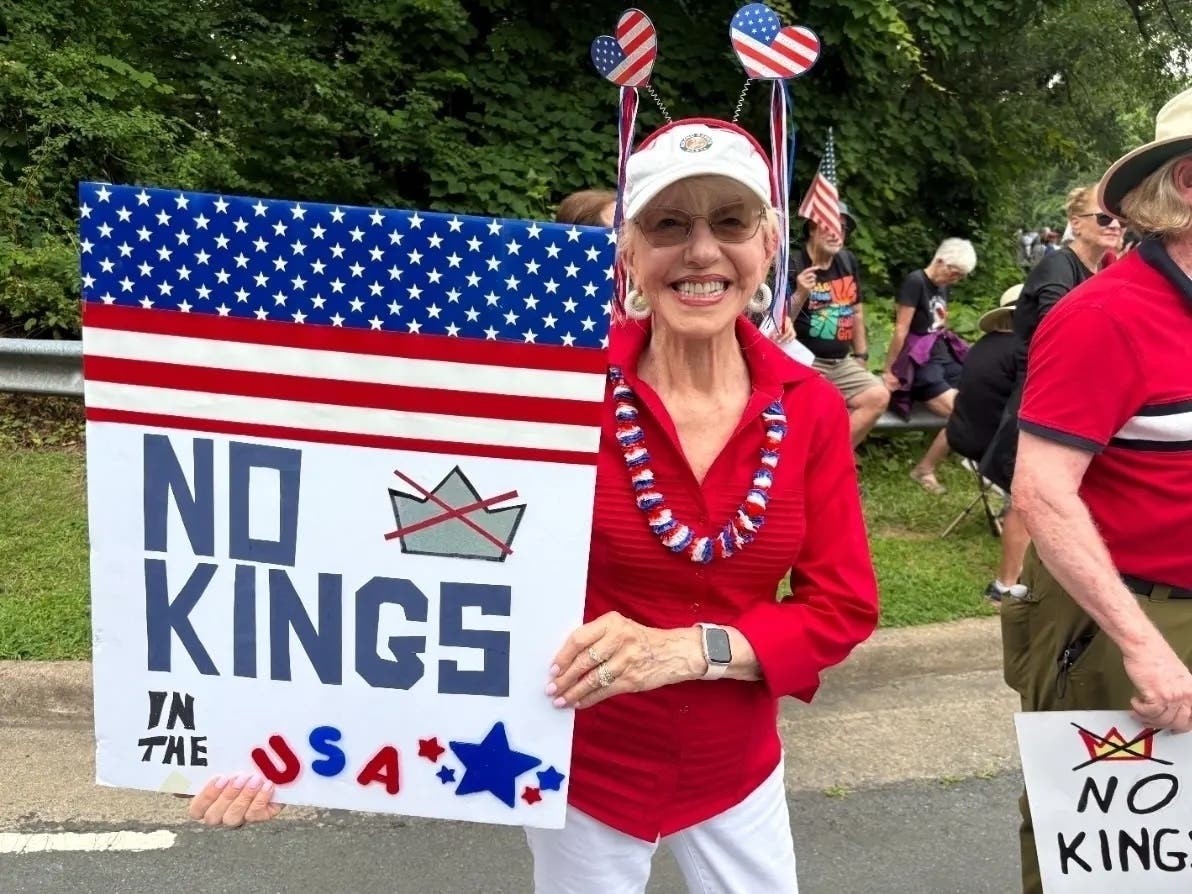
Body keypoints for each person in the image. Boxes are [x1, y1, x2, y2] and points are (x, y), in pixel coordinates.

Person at [186, 119, 881, 893]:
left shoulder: (810, 408)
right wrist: (267, 738)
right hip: (583, 771)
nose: (701, 252)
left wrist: (694, 649)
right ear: (627, 250)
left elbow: (840, 607)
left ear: (768, 245)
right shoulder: (549, 388)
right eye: (668, 225)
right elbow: (389, 542)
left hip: (736, 771)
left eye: (730, 222)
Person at [1003, 85, 1192, 894]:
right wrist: (1143, 645)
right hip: (1127, 617)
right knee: (1111, 870)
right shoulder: (1102, 317)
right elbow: (1042, 494)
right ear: (1187, 181)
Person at [979, 185, 1122, 497]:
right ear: (1076, 222)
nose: (1114, 224)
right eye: (1103, 217)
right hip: (1043, 392)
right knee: (1029, 497)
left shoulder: (1102, 269)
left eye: (1119, 218)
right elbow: (1057, 330)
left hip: (1074, 390)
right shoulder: (1059, 265)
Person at [944, 284, 1030, 603]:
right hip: (991, 447)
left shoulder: (984, 345)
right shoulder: (1022, 353)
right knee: (1029, 493)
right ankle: (1007, 583)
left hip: (963, 437)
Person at [790, 207, 891, 447]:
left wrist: (862, 354)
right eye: (830, 226)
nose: (837, 234)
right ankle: (808, 467)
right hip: (805, 361)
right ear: (812, 228)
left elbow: (856, 310)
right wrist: (801, 292)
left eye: (842, 228)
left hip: (841, 362)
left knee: (877, 396)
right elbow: (778, 323)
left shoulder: (847, 260)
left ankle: (833, 464)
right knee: (819, 407)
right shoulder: (793, 263)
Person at [883, 238, 976, 495]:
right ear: (940, 261)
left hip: (941, 355)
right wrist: (889, 370)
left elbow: (938, 325)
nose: (954, 280)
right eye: (953, 274)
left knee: (982, 393)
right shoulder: (916, 282)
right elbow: (901, 329)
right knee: (962, 412)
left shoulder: (942, 285)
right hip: (920, 363)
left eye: (959, 277)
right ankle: (924, 469)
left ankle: (975, 454)